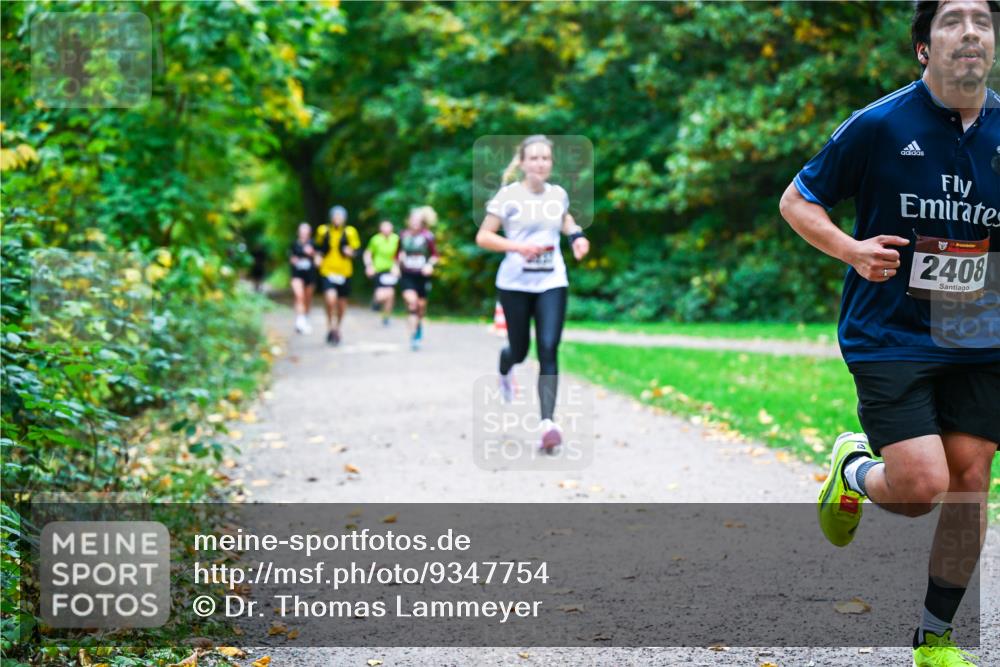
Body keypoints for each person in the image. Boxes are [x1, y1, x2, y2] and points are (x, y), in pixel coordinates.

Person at [779, 2, 999, 664]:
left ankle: (935, 637)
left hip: (977, 328)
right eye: (952, 19)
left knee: (970, 476)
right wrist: (850, 249)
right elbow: (798, 199)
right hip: (891, 329)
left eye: (983, 21)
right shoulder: (879, 124)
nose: (970, 31)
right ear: (923, 48)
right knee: (920, 488)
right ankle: (854, 467)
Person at [476, 135, 590, 451]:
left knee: (549, 347)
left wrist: (576, 236)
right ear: (523, 163)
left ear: (551, 163)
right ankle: (505, 363)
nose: (540, 164)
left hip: (551, 281)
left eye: (546, 159)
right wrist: (518, 247)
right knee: (520, 349)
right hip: (514, 284)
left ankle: (547, 424)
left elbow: (564, 218)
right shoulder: (508, 196)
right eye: (534, 158)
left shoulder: (558, 195)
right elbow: (484, 236)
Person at [314, 205, 361, 346]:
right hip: (327, 270)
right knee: (330, 299)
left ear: (344, 218)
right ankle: (330, 326)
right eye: (335, 216)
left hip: (344, 272)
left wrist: (350, 252)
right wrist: (317, 257)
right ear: (331, 217)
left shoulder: (350, 232)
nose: (337, 219)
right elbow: (317, 247)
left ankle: (337, 327)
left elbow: (357, 251)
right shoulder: (323, 231)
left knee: (341, 304)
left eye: (340, 216)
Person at [398, 206, 440, 350]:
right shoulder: (403, 235)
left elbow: (435, 255)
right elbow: (396, 255)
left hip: (422, 276)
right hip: (407, 275)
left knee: (421, 307)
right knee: (412, 304)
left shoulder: (428, 236)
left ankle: (418, 326)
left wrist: (429, 265)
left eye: (418, 220)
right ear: (408, 221)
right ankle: (413, 336)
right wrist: (398, 260)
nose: (415, 223)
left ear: (422, 222)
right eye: (413, 220)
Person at [364, 220, 400, 327]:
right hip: (378, 269)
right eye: (384, 227)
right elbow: (368, 253)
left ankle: (386, 317)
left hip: (391, 270)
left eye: (388, 227)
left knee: (391, 294)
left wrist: (397, 266)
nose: (386, 229)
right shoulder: (375, 239)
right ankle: (376, 301)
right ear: (380, 228)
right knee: (381, 294)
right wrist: (369, 266)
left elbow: (400, 254)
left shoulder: (396, 239)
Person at [288, 222, 317, 334]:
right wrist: (293, 260)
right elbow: (291, 257)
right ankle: (299, 321)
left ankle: (305, 318)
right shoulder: (294, 244)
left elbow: (318, 259)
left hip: (310, 275)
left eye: (306, 231)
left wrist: (312, 253)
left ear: (309, 233)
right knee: (299, 296)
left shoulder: (313, 244)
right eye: (302, 231)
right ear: (298, 232)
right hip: (297, 275)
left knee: (307, 299)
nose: (304, 233)